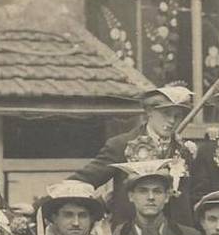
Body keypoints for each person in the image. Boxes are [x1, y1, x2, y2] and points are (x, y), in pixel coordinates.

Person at [70, 83, 198, 226]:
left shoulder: (185, 150)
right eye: (166, 114)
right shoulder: (121, 145)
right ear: (149, 111)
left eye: (177, 115)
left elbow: (190, 197)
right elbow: (80, 182)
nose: (172, 121)